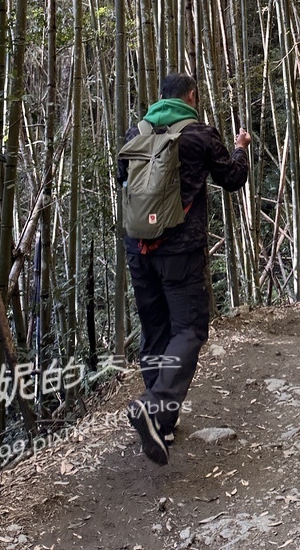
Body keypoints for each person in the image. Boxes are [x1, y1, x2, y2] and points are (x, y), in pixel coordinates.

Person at [117, 72, 251, 465]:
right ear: (192, 96)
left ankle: (162, 423)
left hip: (138, 248)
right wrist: (241, 147)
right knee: (189, 329)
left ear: (160, 98)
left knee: (156, 329)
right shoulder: (200, 134)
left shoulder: (135, 132)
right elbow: (233, 178)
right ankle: (155, 406)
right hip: (180, 249)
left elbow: (123, 179)